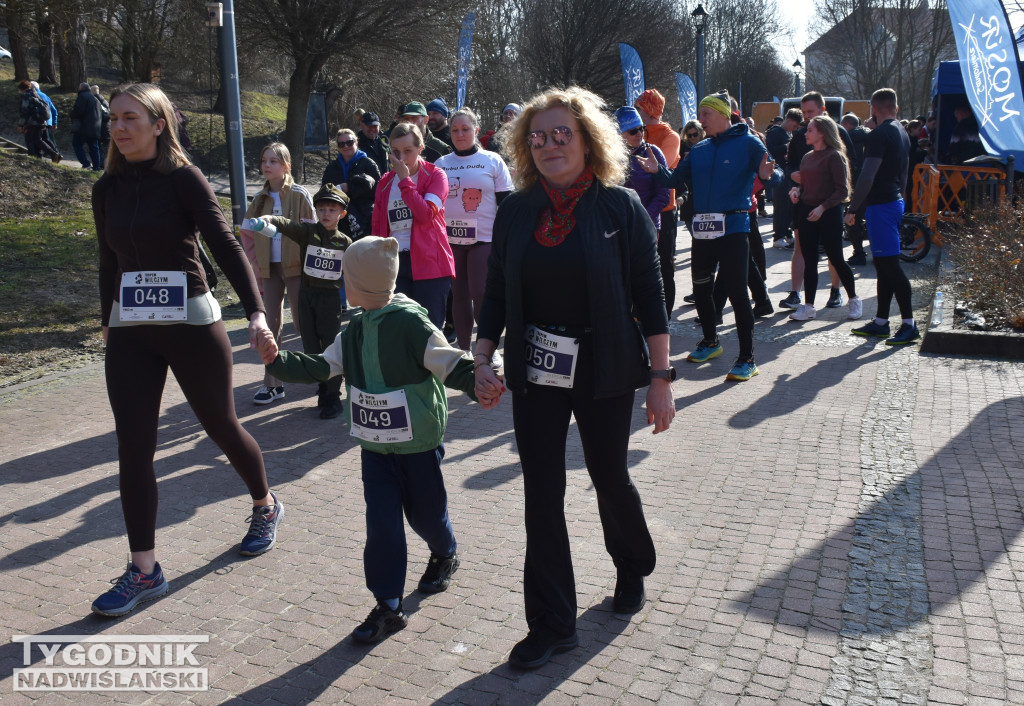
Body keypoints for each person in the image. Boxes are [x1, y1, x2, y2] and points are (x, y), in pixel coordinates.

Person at [474, 86, 674, 670]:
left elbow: (651, 294)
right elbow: (495, 292)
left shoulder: (620, 208)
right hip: (536, 366)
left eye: (562, 134)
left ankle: (631, 564)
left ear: (588, 140)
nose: (549, 145)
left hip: (604, 362)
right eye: (537, 137)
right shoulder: (516, 211)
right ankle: (553, 623)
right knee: (542, 490)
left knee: (609, 476)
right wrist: (482, 359)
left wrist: (660, 378)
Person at [90, 82, 282, 617]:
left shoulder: (184, 179)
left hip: (192, 323)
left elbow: (224, 244)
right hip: (131, 329)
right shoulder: (106, 189)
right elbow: (108, 260)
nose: (118, 127)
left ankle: (265, 504)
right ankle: (144, 570)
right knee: (133, 448)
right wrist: (106, 320)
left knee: (221, 426)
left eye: (130, 117)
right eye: (113, 118)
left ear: (159, 125)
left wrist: (256, 312)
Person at [258, 236, 496, 644]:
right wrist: (277, 360)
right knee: (382, 525)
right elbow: (322, 366)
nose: (343, 283)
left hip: (418, 445)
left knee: (426, 516)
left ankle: (445, 552)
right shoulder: (354, 329)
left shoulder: (412, 325)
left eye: (347, 277)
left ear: (358, 284)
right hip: (374, 449)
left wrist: (479, 383)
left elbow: (449, 363)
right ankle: (388, 605)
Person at [641, 91, 780, 382]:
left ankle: (747, 358)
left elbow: (775, 174)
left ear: (723, 114)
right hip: (703, 229)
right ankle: (710, 341)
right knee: (701, 288)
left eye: (706, 114)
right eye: (700, 114)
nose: (700, 119)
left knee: (737, 292)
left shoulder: (749, 142)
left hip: (734, 227)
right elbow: (674, 179)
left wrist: (768, 176)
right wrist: (657, 171)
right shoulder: (700, 148)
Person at [249, 184, 353, 418]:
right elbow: (288, 225)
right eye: (322, 209)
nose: (326, 214)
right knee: (311, 348)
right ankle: (322, 389)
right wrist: (269, 219)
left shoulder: (345, 242)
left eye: (332, 210)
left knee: (330, 347)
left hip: (329, 301)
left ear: (342, 213)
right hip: (306, 298)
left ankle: (332, 397)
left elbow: (354, 269)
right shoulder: (307, 232)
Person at [240, 142, 315, 406]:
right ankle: (273, 385)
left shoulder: (299, 194)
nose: (267, 165)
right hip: (269, 270)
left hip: (297, 269)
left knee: (304, 323)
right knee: (270, 326)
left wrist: (308, 265)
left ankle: (323, 375)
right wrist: (257, 262)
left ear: (286, 166)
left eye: (273, 161)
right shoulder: (259, 199)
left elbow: (313, 233)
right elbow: (246, 233)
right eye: (264, 161)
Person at [434, 108, 513, 356]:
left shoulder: (492, 160)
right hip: (451, 240)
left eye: (465, 129)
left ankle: (488, 349)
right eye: (455, 130)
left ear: (476, 130)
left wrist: (506, 239)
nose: (460, 134)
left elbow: (506, 203)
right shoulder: (441, 164)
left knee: (481, 292)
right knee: (458, 295)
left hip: (484, 240)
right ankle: (464, 351)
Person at [846, 88, 919, 346]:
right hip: (893, 201)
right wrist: (901, 196)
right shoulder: (902, 131)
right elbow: (905, 171)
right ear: (895, 108)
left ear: (873, 109)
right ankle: (880, 322)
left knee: (890, 267)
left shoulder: (878, 135)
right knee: (883, 266)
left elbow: (868, 174)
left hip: (882, 206)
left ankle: (909, 324)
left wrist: (853, 208)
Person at [372, 122, 454, 329]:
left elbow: (425, 215)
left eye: (408, 151)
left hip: (430, 265)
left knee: (428, 331)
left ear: (420, 148)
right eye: (395, 151)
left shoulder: (436, 175)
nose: (401, 158)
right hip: (395, 263)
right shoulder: (384, 182)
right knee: (398, 330)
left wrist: (405, 181)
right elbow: (378, 227)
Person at [779, 92, 854, 311]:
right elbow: (790, 165)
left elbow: (850, 171)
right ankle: (800, 297)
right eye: (803, 112)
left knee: (834, 254)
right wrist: (794, 180)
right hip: (805, 204)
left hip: (830, 206)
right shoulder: (801, 139)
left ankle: (837, 291)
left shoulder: (837, 138)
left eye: (810, 112)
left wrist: (850, 206)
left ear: (822, 110)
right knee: (804, 251)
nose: (806, 116)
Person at [634, 89, 682, 318]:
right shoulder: (636, 132)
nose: (637, 111)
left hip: (663, 211)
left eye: (639, 107)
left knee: (663, 267)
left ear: (649, 109)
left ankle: (665, 317)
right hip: (634, 212)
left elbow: (662, 166)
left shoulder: (670, 136)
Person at [616, 106, 670, 231]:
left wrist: (642, 218)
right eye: (633, 131)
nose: (640, 134)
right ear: (619, 134)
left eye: (642, 128)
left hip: (647, 226)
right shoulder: (610, 156)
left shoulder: (653, 152)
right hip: (618, 227)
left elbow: (663, 194)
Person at [322, 128, 381, 239]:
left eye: (349, 142)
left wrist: (349, 188)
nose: (346, 146)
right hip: (340, 221)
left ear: (356, 143)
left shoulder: (368, 164)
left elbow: (378, 191)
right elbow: (324, 193)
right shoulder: (331, 168)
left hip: (366, 219)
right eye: (341, 144)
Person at [768, 108, 802, 249]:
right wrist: (786, 147)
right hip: (779, 173)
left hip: (786, 173)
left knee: (788, 206)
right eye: (794, 125)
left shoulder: (786, 133)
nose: (795, 128)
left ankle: (786, 234)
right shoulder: (775, 132)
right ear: (789, 120)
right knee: (781, 205)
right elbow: (769, 150)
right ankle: (778, 237)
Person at [841, 113, 871, 265]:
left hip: (857, 184)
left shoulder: (849, 138)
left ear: (847, 125)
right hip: (873, 183)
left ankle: (858, 253)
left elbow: (851, 163)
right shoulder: (870, 135)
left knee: (852, 219)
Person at [16, 80, 61, 162]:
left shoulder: (26, 96)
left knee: (29, 139)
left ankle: (32, 156)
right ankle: (53, 154)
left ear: (22, 89)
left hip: (31, 122)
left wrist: (20, 124)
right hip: (41, 121)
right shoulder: (36, 94)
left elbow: (24, 111)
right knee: (38, 139)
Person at [70, 81, 103, 171]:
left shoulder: (82, 97)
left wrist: (71, 115)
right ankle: (97, 167)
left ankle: (86, 163)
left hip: (84, 127)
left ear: (81, 88)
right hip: (95, 127)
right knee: (94, 147)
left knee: (77, 144)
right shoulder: (95, 99)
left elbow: (78, 110)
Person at [92, 85, 111, 168]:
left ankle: (101, 163)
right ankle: (108, 162)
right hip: (108, 127)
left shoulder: (94, 101)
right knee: (107, 146)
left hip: (99, 127)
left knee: (98, 146)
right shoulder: (105, 101)